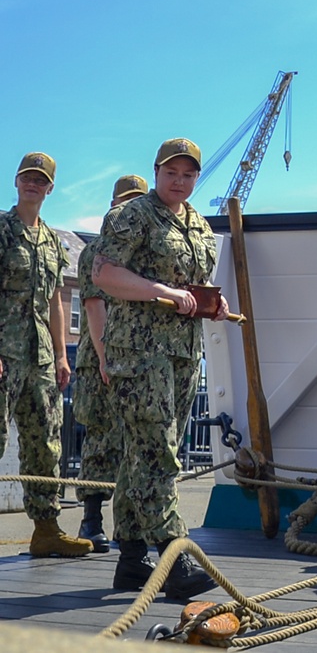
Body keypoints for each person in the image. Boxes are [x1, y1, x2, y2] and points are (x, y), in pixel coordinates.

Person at [93, 139, 228, 600]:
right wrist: (162, 292)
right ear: (156, 171)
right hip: (140, 351)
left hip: (183, 352)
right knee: (157, 451)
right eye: (172, 172)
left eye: (189, 174)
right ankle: (174, 554)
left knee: (143, 454)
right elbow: (104, 275)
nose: (180, 180)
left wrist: (211, 300)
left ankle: (132, 559)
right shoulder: (131, 215)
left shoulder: (198, 225)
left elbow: (192, 283)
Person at [0, 153, 93, 557]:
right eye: (27, 178)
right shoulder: (3, 230)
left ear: (50, 188)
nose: (33, 184)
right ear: (16, 182)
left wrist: (60, 355)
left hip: (38, 356)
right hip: (4, 349)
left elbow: (56, 299)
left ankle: (46, 530)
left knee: (45, 444)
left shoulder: (54, 241)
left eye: (40, 180)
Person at [74, 173, 149, 553]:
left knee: (131, 442)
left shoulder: (141, 250)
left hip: (132, 362)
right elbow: (94, 308)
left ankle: (129, 526)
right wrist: (106, 358)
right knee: (101, 439)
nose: (129, 209)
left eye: (136, 201)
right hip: (100, 361)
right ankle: (90, 519)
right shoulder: (97, 251)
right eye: (124, 202)